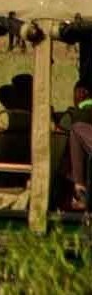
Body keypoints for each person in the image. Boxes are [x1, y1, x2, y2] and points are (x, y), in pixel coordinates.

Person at [62, 80, 92, 210]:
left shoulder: (83, 109)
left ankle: (79, 189)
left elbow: (75, 121)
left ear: (82, 93)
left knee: (75, 129)